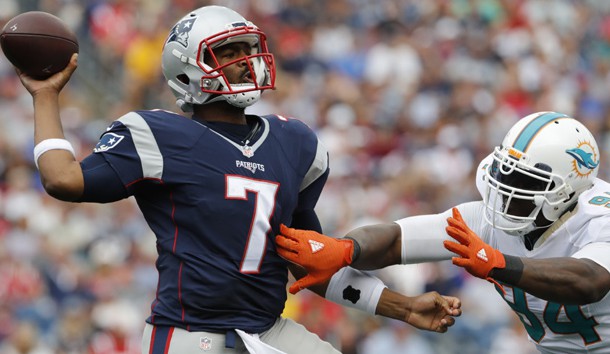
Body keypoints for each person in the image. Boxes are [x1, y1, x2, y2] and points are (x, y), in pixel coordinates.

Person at [16, 5, 461, 354]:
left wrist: (403, 308)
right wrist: (46, 97)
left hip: (269, 330)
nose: (245, 61)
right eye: (227, 52)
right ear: (188, 69)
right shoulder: (157, 134)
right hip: (191, 333)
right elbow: (63, 180)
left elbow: (312, 264)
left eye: (247, 49)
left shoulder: (294, 142)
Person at [276, 111, 610, 354]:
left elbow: (589, 281)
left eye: (524, 183)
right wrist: (347, 248)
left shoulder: (600, 217)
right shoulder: (486, 219)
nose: (506, 191)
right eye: (505, 174)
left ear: (567, 191)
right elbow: (395, 238)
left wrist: (499, 264)